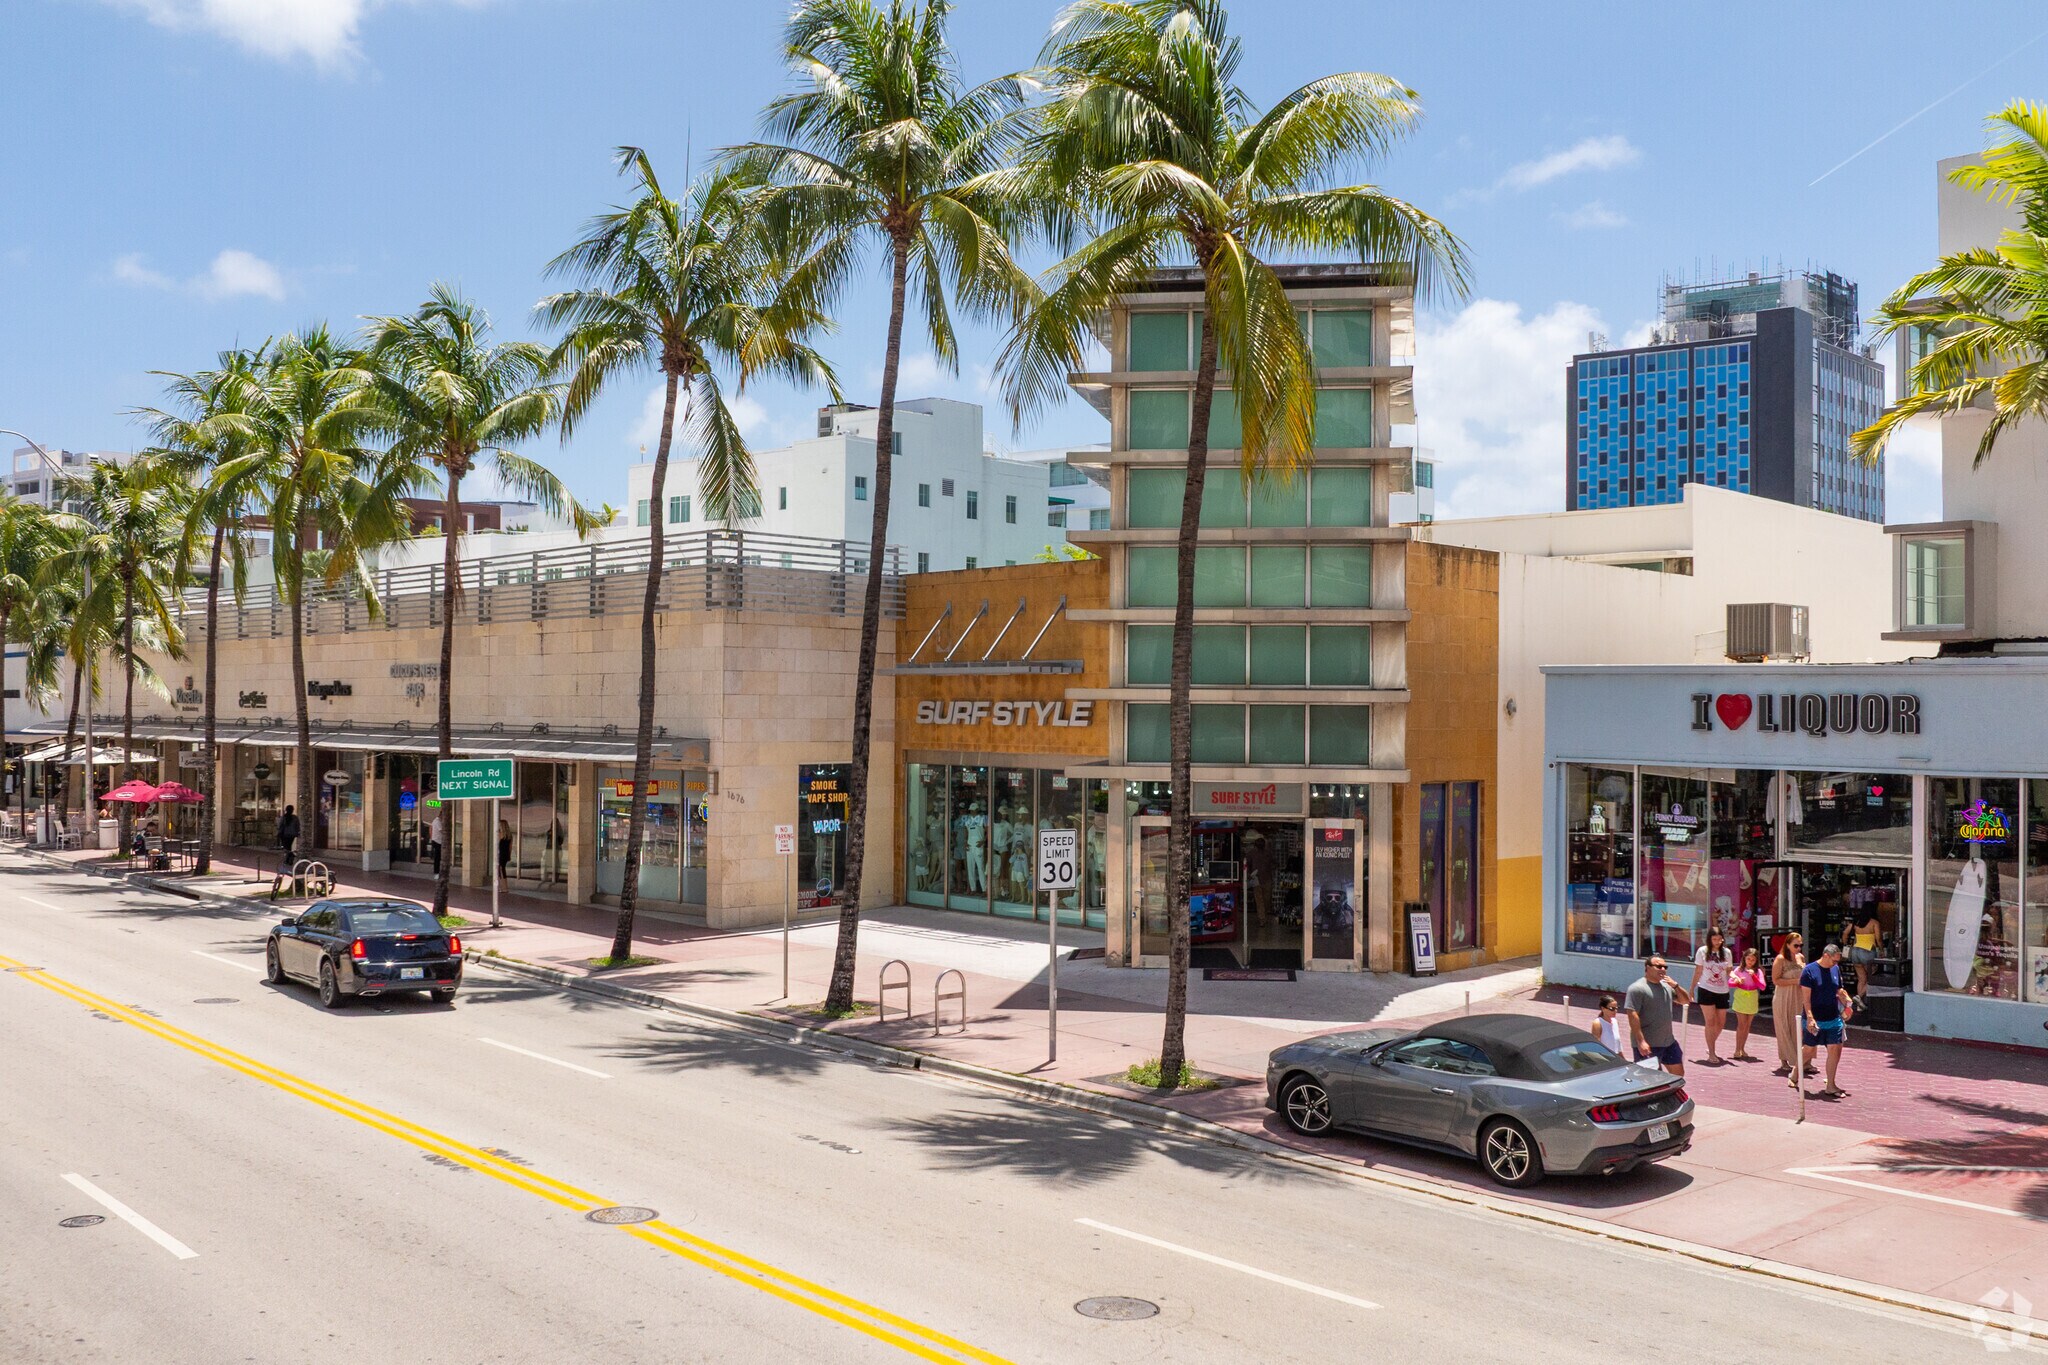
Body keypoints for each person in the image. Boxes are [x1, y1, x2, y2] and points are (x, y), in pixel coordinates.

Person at [1802, 942, 1855, 1099]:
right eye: (1834, 960)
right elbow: (1806, 999)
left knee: (1834, 1049)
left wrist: (1847, 1003)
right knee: (1810, 1050)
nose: (1836, 964)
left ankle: (1830, 1085)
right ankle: (1796, 1071)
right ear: (1826, 956)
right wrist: (1810, 1018)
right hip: (1815, 1017)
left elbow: (1838, 989)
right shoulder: (1809, 971)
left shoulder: (1835, 969)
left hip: (1832, 1016)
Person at [1624, 956, 1694, 1076]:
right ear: (1647, 967)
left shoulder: (1666, 986)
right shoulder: (1637, 988)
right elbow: (1632, 1015)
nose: (1662, 969)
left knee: (1678, 1075)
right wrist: (1641, 1041)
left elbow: (1685, 1001)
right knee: (1648, 1079)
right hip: (1649, 1044)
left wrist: (1675, 986)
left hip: (1668, 1042)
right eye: (1658, 966)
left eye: (1665, 967)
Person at [1693, 928, 1734, 1063]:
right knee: (1710, 1021)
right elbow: (1698, 971)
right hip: (1706, 988)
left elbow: (1729, 970)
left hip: (1722, 990)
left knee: (1721, 1022)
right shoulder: (1702, 951)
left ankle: (1710, 1042)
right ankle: (1711, 1052)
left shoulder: (1727, 952)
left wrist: (1735, 977)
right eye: (1714, 939)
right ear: (1709, 939)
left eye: (1719, 939)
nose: (1717, 942)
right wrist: (1691, 989)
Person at [1771, 933, 1807, 1075]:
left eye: (1800, 945)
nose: (1798, 948)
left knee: (1798, 1027)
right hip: (1784, 996)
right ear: (1787, 945)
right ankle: (1785, 1059)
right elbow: (1775, 980)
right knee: (1784, 1026)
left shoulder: (1801, 958)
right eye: (1795, 945)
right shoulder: (1780, 959)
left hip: (1798, 995)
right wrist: (1794, 981)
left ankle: (1802, 1059)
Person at [1729, 947, 1766, 1062]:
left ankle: (1743, 1048)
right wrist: (1737, 981)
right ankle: (1737, 1049)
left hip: (1752, 997)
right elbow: (1730, 983)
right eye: (1748, 959)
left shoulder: (1758, 972)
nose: (1750, 962)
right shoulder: (1739, 970)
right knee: (1741, 1024)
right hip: (1741, 997)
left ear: (1756, 961)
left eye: (1753, 960)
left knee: (1747, 1025)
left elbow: (1762, 986)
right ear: (1744, 959)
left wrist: (1754, 976)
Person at [1847, 910, 1883, 1006]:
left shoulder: (1856, 922)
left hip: (1855, 951)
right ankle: (1859, 996)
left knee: (1861, 978)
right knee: (1872, 977)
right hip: (1868, 951)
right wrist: (1882, 950)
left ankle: (1860, 1005)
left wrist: (1845, 944)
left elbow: (1845, 933)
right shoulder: (1874, 923)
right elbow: (1878, 938)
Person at [496, 817, 513, 884]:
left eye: (500, 825)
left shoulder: (500, 835)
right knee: (502, 869)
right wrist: (509, 855)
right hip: (506, 854)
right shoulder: (509, 836)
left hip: (501, 854)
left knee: (500, 870)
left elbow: (497, 844)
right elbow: (510, 847)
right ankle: (504, 886)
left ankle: (503, 886)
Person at [429, 810, 445, 876]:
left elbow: (430, 828)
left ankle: (437, 872)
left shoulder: (435, 821)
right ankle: (436, 872)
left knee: (438, 857)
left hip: (436, 840)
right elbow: (441, 830)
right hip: (437, 841)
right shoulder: (437, 821)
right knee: (437, 857)